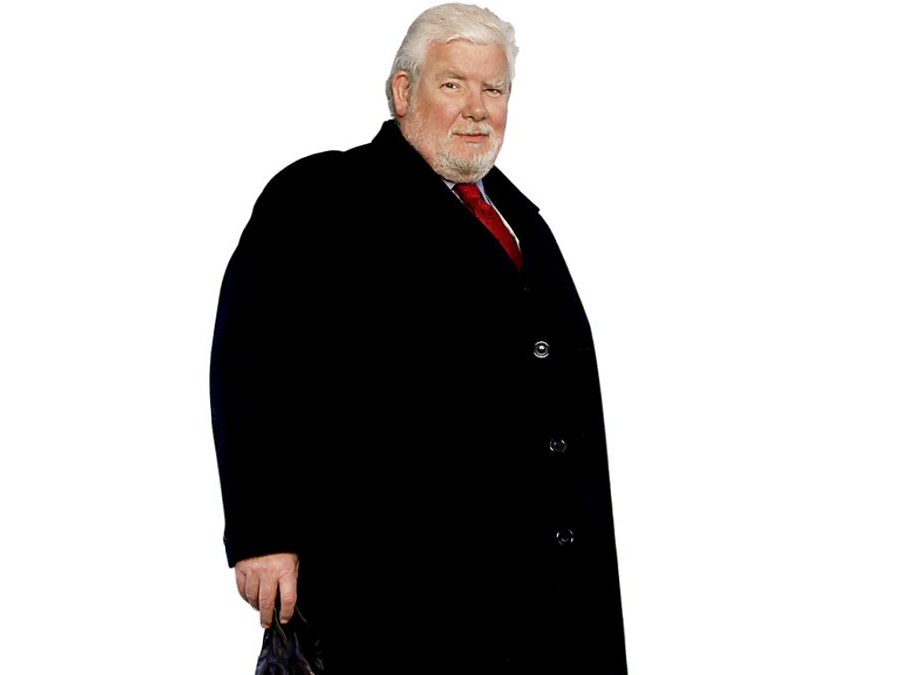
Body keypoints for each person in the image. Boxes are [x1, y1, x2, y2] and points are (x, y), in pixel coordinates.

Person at [209, 3, 627, 672]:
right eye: (453, 84)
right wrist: (265, 530)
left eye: (494, 89)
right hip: (389, 580)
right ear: (403, 91)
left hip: (534, 586)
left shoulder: (518, 218)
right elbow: (252, 360)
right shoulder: (322, 196)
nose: (477, 109)